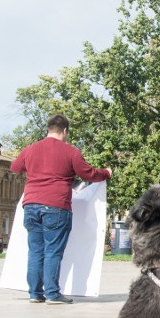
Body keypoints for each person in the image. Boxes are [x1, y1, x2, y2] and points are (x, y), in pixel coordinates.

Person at [11, 114, 112, 305]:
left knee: (35, 251)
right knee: (53, 251)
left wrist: (35, 170)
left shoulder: (31, 149)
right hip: (56, 206)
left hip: (31, 205)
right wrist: (106, 173)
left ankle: (34, 293)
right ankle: (52, 293)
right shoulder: (71, 152)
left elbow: (16, 167)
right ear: (65, 131)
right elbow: (87, 173)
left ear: (48, 130)